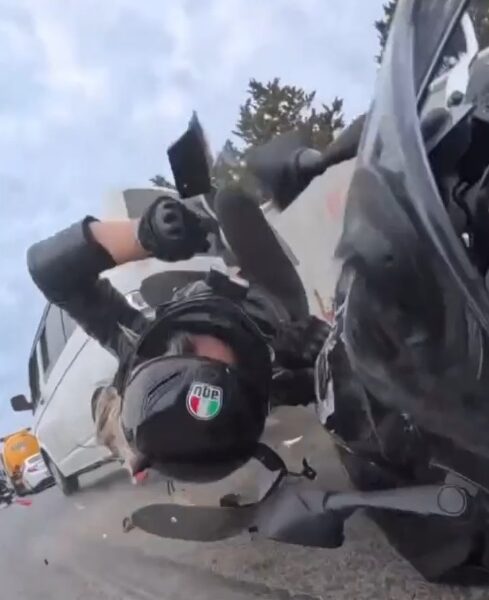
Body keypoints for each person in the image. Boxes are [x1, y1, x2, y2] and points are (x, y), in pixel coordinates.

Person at [27, 190, 329, 483]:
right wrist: (322, 359)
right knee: (231, 202)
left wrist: (144, 235)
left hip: (229, 299)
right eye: (212, 370)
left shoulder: (138, 343)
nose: (204, 349)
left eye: (185, 348)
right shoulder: (271, 379)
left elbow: (48, 271)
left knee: (228, 202)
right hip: (271, 308)